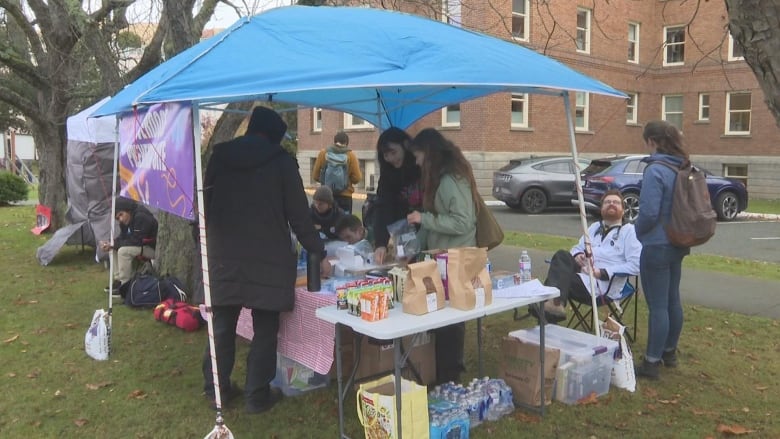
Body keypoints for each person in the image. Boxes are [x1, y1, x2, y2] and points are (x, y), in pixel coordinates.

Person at [202, 106, 330, 414]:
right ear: (275, 135)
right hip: (267, 257)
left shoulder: (219, 157)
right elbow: (300, 217)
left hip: (224, 255)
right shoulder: (282, 162)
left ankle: (216, 390)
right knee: (265, 330)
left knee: (222, 325)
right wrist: (319, 252)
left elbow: (203, 203)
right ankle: (256, 396)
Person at [406, 127, 479, 385]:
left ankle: (450, 374)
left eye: (417, 156)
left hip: (457, 259)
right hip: (443, 258)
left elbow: (462, 222)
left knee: (451, 321)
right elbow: (431, 223)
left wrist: (423, 218)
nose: (416, 162)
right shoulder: (440, 178)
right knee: (441, 317)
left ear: (428, 153)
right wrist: (414, 248)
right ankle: (440, 370)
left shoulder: (450, 180)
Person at [634, 120, 692, 380]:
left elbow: (647, 212)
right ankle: (669, 352)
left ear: (652, 141)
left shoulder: (655, 169)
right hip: (679, 241)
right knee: (672, 300)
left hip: (656, 243)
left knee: (657, 305)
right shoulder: (681, 166)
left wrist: (637, 230)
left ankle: (651, 362)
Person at [537, 190, 641, 322]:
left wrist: (602, 272)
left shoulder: (630, 232)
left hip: (601, 286)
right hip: (582, 273)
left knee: (559, 278)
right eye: (607, 202)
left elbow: (636, 265)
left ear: (623, 209)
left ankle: (549, 310)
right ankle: (553, 306)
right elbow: (577, 247)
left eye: (616, 202)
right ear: (601, 208)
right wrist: (578, 255)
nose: (611, 204)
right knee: (562, 255)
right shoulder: (594, 227)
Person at [371, 127, 422, 265]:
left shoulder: (421, 166)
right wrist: (381, 243)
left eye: (393, 152)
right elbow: (383, 207)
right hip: (403, 233)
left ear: (405, 146)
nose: (391, 159)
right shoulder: (387, 175)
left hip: (427, 230)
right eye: (386, 155)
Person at [100, 197, 158, 292]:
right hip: (141, 246)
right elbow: (123, 237)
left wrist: (114, 244)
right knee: (113, 248)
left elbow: (136, 241)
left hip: (152, 249)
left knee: (123, 251)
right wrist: (110, 243)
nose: (121, 219)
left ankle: (125, 286)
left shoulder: (141, 217)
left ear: (128, 210)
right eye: (118, 218)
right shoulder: (126, 220)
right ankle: (118, 280)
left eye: (121, 215)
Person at [311, 131, 362, 214]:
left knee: (327, 223)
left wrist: (327, 180)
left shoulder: (323, 153)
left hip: (326, 197)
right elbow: (357, 178)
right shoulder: (351, 155)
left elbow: (315, 176)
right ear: (347, 143)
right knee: (344, 224)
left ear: (334, 142)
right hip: (345, 197)